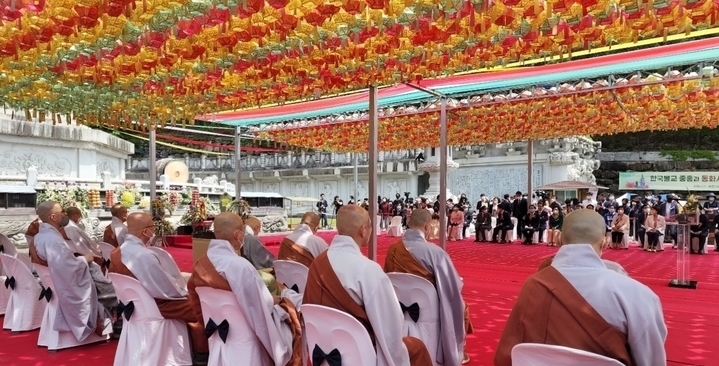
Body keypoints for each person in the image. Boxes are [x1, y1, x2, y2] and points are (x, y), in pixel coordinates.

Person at [495, 209, 667, 366]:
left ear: (560, 239)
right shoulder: (637, 295)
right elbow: (652, 361)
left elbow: (508, 354)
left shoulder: (533, 285)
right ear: (605, 243)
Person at [303, 205, 433, 366]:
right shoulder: (368, 270)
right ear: (364, 230)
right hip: (361, 351)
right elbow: (391, 326)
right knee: (417, 347)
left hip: (321, 346)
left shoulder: (317, 263)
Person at [188, 213, 304, 365]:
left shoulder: (201, 263)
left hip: (218, 335)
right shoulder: (240, 266)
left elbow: (196, 303)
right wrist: (276, 302)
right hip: (246, 339)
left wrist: (268, 300)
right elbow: (258, 310)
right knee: (292, 314)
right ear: (237, 234)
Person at [108, 212, 208, 364]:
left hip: (136, 307)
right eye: (152, 226)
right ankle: (202, 355)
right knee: (201, 308)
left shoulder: (116, 252)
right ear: (145, 231)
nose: (154, 230)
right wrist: (185, 292)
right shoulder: (143, 256)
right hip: (156, 306)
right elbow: (167, 291)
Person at [384, 209, 473, 365]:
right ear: (428, 227)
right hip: (430, 311)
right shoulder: (435, 253)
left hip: (398, 308)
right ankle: (457, 351)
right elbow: (452, 288)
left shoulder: (393, 250)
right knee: (462, 306)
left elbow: (389, 278)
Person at [32, 201, 113, 341]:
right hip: (67, 282)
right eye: (62, 211)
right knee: (107, 288)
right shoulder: (53, 240)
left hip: (55, 281)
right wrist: (86, 259)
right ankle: (110, 322)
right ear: (53, 217)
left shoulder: (41, 236)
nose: (65, 214)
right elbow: (67, 266)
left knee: (103, 282)